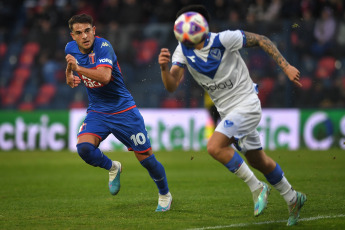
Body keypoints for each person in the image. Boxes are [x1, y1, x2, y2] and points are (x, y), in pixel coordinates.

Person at [158, 5, 306, 226]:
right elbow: (171, 86)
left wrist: (285, 67)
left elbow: (263, 40)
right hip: (227, 111)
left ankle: (258, 188)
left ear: (200, 25)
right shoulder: (182, 50)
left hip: (246, 103)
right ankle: (293, 198)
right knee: (258, 160)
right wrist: (163, 68)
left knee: (214, 147)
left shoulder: (224, 39)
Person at [65, 14, 172, 212]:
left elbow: (105, 77)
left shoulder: (103, 47)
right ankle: (113, 167)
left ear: (94, 30)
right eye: (79, 33)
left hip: (124, 110)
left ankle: (165, 194)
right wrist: (69, 75)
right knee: (84, 149)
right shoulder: (70, 48)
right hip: (98, 110)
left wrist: (77, 68)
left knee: (147, 159)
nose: (85, 36)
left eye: (88, 30)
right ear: (73, 36)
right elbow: (70, 66)